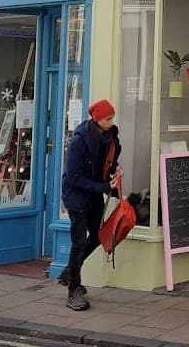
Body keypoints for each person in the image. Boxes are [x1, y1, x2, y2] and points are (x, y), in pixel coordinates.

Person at [59, 99, 122, 311]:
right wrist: (104, 186)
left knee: (97, 235)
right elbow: (74, 178)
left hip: (95, 192)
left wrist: (115, 172)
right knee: (78, 242)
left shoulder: (110, 137)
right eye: (108, 118)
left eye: (112, 118)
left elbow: (110, 162)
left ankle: (70, 271)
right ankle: (73, 290)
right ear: (96, 119)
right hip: (76, 196)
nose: (112, 122)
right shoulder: (79, 142)